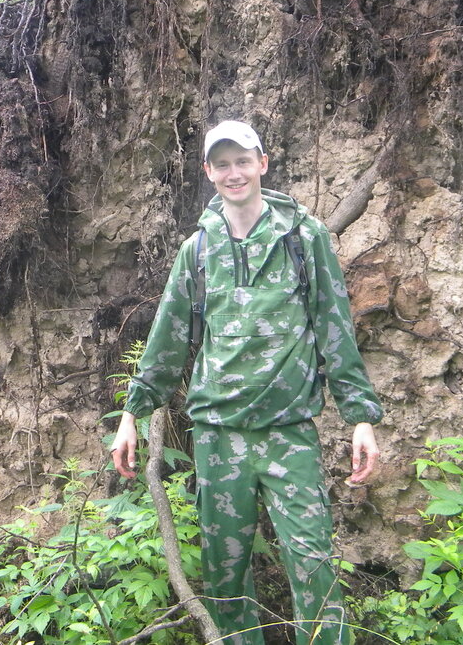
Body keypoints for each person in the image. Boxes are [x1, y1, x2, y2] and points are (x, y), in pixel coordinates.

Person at [110, 120, 383, 645]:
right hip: (219, 438)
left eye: (243, 161)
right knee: (225, 578)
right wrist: (131, 414)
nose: (234, 173)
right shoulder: (197, 250)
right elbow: (168, 339)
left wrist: (361, 418)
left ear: (262, 163)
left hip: (289, 432)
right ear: (208, 172)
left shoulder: (304, 238)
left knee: (314, 567)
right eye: (223, 164)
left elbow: (335, 329)